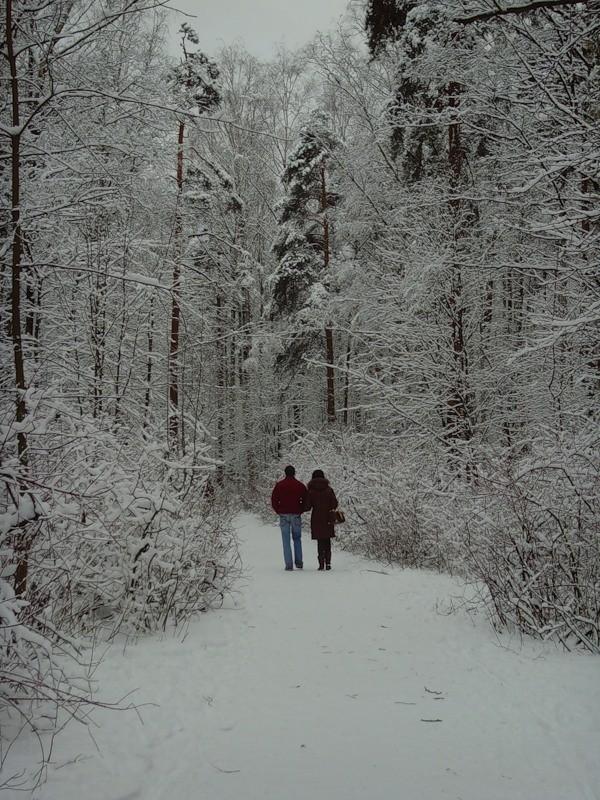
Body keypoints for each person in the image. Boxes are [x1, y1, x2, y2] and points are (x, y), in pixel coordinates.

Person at [271, 465, 308, 570]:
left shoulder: (279, 485)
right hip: (296, 514)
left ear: (285, 473)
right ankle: (299, 562)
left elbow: (274, 500)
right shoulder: (300, 485)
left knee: (285, 540)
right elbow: (306, 500)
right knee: (297, 538)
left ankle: (288, 564)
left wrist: (278, 510)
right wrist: (300, 510)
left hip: (283, 514)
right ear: (294, 473)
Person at [305, 469, 338, 571]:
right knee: (327, 540)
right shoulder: (329, 489)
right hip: (328, 517)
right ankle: (328, 563)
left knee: (320, 541)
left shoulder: (310, 491)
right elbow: (334, 504)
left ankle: (321, 564)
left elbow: (307, 506)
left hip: (316, 518)